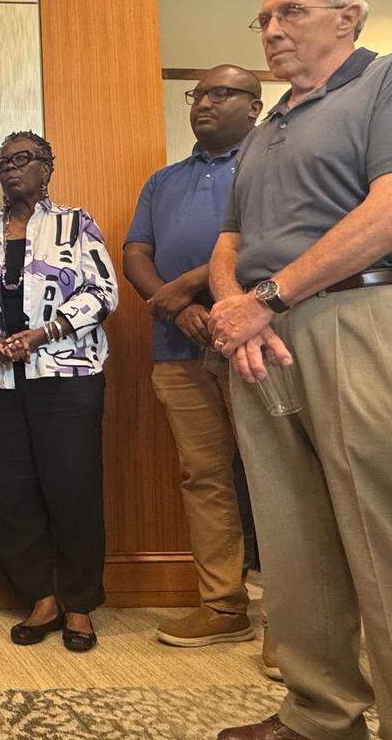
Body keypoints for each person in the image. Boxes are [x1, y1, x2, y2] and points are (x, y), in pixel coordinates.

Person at [209, 0, 392, 740]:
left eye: (290, 13)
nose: (271, 30)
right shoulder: (267, 127)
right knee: (293, 534)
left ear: (348, 16)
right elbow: (230, 239)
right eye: (263, 20)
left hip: (363, 316)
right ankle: (321, 714)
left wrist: (269, 297)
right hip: (263, 342)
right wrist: (238, 304)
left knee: (388, 535)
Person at [123, 65, 278, 672]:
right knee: (204, 476)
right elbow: (136, 251)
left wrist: (189, 289)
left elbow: (268, 242)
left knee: (276, 478)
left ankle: (293, 624)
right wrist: (175, 306)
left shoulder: (268, 165)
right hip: (179, 352)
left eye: (221, 93)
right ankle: (223, 606)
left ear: (254, 105)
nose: (204, 103)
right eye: (197, 94)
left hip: (258, 340)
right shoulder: (163, 181)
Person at [0, 131, 118, 651]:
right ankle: (40, 599)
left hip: (67, 377)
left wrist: (44, 333)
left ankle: (80, 605)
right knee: (9, 492)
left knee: (73, 488)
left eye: (24, 159)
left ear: (48, 167)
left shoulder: (75, 224)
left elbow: (102, 292)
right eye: (4, 161)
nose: (11, 168)